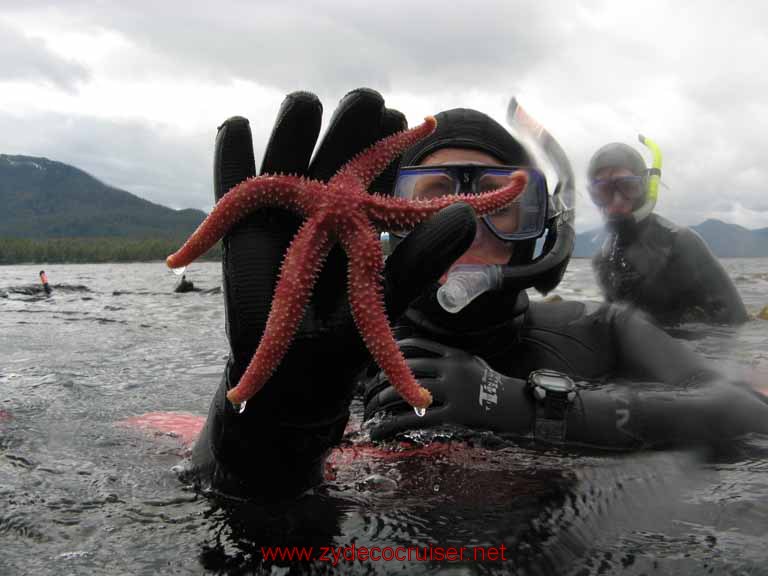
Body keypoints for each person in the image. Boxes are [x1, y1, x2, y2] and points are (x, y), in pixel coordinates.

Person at [183, 88, 768, 501]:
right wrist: (261, 448)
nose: (463, 224)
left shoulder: (604, 328)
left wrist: (526, 409)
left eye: (498, 200)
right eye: (431, 199)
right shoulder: (334, 359)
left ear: (538, 225)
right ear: (393, 223)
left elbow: (749, 414)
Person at [587, 140, 748, 325]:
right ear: (593, 196)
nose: (616, 200)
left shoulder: (678, 243)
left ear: (644, 188)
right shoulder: (603, 261)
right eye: (603, 190)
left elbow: (737, 324)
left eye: (627, 186)